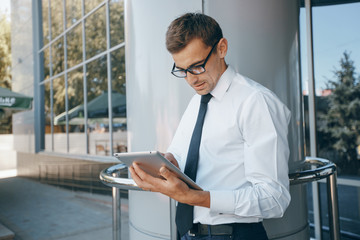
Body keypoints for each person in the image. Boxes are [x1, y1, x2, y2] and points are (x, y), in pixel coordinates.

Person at [129, 12, 291, 240]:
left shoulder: (256, 101)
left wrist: (194, 197)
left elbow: (274, 199)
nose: (191, 79)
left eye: (197, 66)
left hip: (232, 234)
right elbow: (184, 157)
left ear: (221, 48)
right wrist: (168, 165)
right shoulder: (197, 101)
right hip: (188, 232)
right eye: (182, 70)